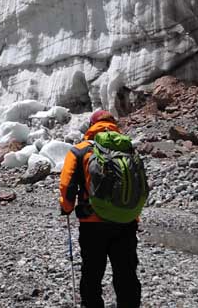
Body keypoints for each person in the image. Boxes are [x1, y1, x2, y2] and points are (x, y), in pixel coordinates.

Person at [59, 110, 141, 308]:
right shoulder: (128, 148)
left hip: (92, 223)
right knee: (126, 272)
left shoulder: (80, 150)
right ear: (113, 124)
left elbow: (67, 184)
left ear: (91, 125)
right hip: (126, 221)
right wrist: (134, 214)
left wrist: (66, 207)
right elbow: (138, 184)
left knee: (92, 273)